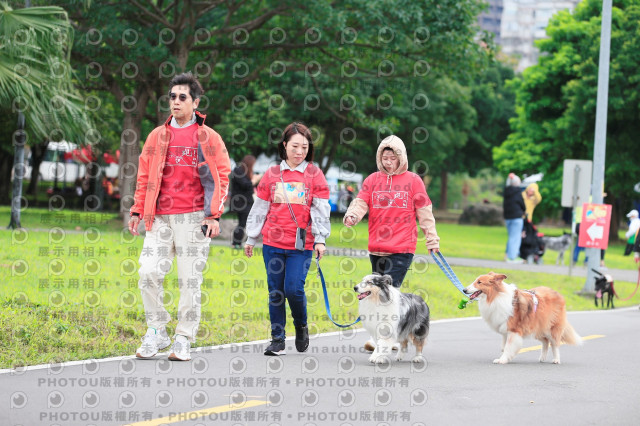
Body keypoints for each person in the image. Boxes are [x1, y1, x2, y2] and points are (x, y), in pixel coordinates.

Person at [128, 72, 231, 361]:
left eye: (182, 97)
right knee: (148, 273)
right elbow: (144, 176)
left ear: (195, 102)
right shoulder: (156, 136)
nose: (175, 101)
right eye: (172, 96)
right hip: (159, 217)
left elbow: (221, 177)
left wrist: (213, 215)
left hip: (194, 218)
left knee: (189, 281)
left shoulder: (208, 137)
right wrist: (137, 209)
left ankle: (184, 337)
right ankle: (156, 330)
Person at [343, 135, 440, 352]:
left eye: (392, 158)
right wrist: (352, 215)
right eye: (384, 158)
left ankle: (384, 337)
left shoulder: (413, 181)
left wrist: (432, 239)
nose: (388, 162)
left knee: (389, 293)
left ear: (401, 157)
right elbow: (361, 201)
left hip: (402, 247)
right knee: (375, 294)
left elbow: (425, 212)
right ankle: (383, 335)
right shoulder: (372, 180)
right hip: (377, 247)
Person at [244, 122, 330, 356]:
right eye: (295, 146)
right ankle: (277, 339)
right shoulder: (272, 174)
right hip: (272, 243)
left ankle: (301, 325)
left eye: (304, 147)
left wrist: (320, 239)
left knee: (293, 289)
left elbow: (320, 210)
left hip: (301, 245)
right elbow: (260, 207)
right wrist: (251, 237)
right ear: (284, 145)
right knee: (276, 292)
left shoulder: (314, 174)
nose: (299, 151)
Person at [229, 155, 260, 249]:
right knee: (242, 223)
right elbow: (245, 185)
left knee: (243, 223)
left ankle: (238, 243)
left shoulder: (247, 172)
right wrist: (254, 180)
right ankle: (236, 243)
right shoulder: (238, 171)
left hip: (247, 202)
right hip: (241, 203)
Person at [503, 173, 525, 263]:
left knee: (511, 237)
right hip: (517, 217)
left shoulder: (506, 192)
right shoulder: (518, 192)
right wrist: (524, 210)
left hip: (507, 217)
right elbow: (522, 204)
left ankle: (508, 255)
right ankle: (512, 257)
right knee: (516, 237)